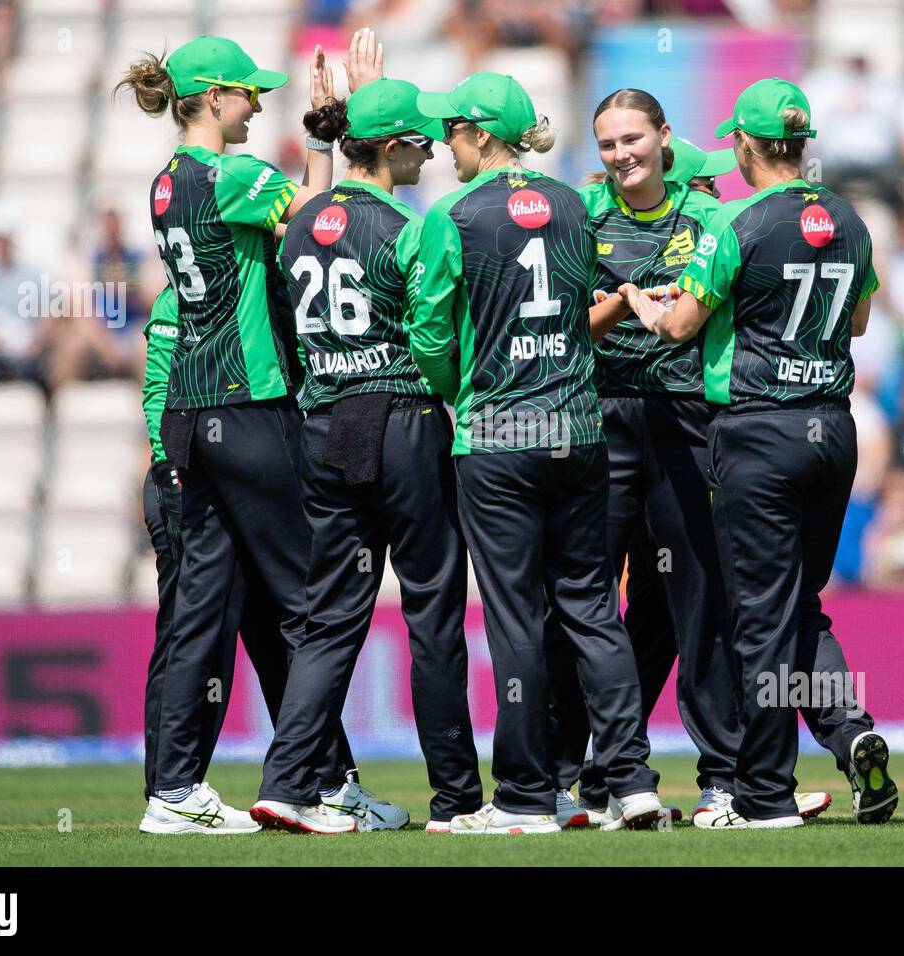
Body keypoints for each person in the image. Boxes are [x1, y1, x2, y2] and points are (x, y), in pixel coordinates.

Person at [116, 30, 390, 834]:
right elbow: (323, 221)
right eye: (246, 92)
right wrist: (334, 132)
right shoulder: (232, 173)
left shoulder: (168, 183)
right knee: (315, 602)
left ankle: (174, 792)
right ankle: (311, 786)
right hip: (247, 403)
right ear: (211, 98)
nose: (256, 102)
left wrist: (314, 138)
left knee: (203, 607)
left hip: (190, 417)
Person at [548, 91, 834, 828]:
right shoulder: (581, 216)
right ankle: (569, 776)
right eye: (607, 143)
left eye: (633, 138)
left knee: (700, 604)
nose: (621, 155)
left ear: (664, 136)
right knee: (581, 604)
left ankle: (726, 779)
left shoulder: (709, 217)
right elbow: (561, 329)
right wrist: (623, 302)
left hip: (686, 421)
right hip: (603, 421)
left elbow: (733, 307)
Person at [622, 78, 898, 826]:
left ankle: (765, 794)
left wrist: (649, 308)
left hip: (757, 431)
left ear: (744, 145)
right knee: (800, 608)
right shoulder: (849, 217)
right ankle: (851, 735)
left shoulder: (735, 220)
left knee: (762, 620)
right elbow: (863, 321)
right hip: (833, 432)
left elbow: (681, 327)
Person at [407, 72, 663, 835]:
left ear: (482, 134)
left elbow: (428, 335)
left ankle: (524, 797)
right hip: (579, 432)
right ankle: (631, 780)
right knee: (591, 609)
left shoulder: (451, 212)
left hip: (495, 437)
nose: (445, 142)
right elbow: (589, 309)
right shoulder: (577, 205)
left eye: (452, 128)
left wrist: (464, 388)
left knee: (519, 619)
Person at [253, 78, 482, 835]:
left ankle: (285, 785)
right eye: (419, 145)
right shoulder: (411, 227)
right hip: (403, 422)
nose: (429, 157)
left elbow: (284, 325)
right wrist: (452, 396)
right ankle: (456, 801)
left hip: (325, 425)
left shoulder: (296, 220)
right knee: (433, 611)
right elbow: (431, 338)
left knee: (330, 617)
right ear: (387, 148)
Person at [138, 287, 359, 813]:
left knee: (275, 635)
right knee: (193, 633)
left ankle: (327, 782)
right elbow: (156, 393)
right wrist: (171, 473)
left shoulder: (264, 292)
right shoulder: (186, 298)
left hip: (232, 469)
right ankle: (170, 787)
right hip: (189, 475)